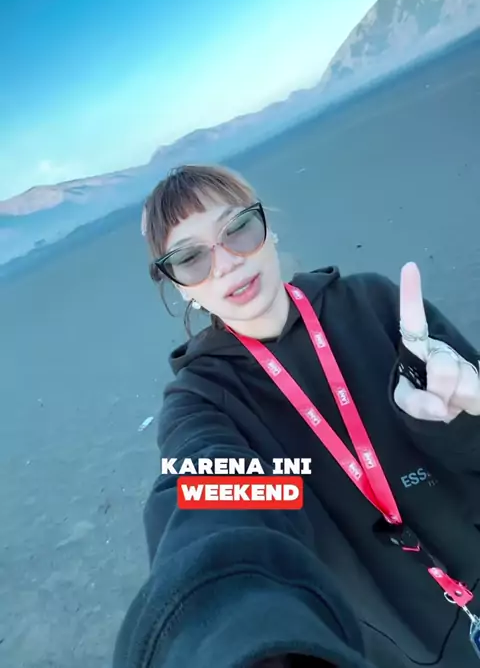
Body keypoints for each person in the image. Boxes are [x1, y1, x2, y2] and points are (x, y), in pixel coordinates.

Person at [113, 164, 480, 668]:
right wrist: (228, 633)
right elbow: (212, 502)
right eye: (191, 259)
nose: (226, 263)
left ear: (268, 228)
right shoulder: (204, 402)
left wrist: (458, 422)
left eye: (237, 228)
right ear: (181, 288)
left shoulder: (376, 306)